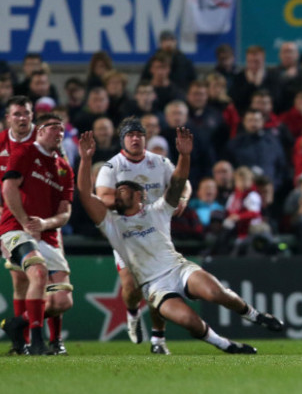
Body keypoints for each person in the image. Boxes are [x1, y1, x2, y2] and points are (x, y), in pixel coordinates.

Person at [77, 129, 284, 354]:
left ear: (139, 195)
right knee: (189, 320)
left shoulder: (157, 210)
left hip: (178, 269)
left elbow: (177, 183)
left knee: (217, 293)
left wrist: (184, 156)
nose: (117, 193)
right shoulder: (112, 224)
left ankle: (255, 315)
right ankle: (226, 345)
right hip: (154, 286)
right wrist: (86, 159)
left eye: (123, 189)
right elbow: (85, 194)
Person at [0, 98, 72, 355]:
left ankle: (53, 339)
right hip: (16, 220)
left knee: (52, 287)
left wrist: (49, 223)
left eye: (27, 114)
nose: (23, 119)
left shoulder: (48, 142)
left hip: (46, 224)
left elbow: (62, 178)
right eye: (17, 114)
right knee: (24, 279)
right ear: (8, 118)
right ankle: (25, 341)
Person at [94, 116, 192, 355]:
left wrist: (182, 198)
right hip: (126, 233)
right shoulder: (112, 166)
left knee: (158, 288)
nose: (135, 138)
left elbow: (184, 182)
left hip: (157, 232)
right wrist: (128, 203)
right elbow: (102, 196)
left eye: (139, 135)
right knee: (131, 287)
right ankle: (132, 312)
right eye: (130, 135)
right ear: (123, 139)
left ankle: (158, 339)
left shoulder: (160, 162)